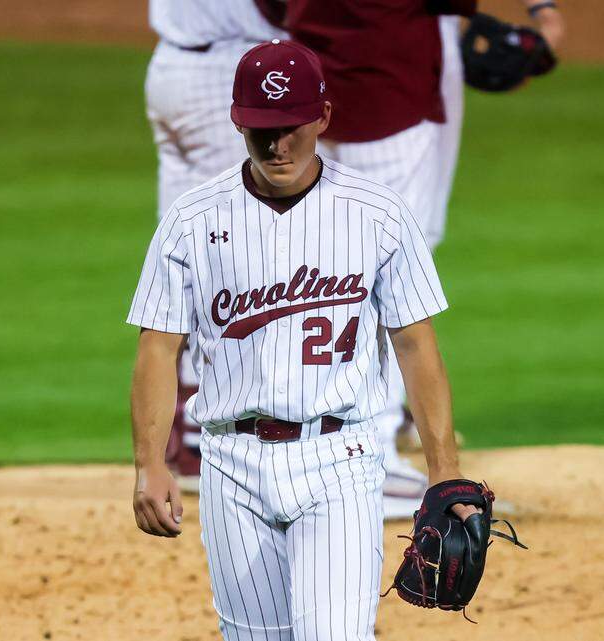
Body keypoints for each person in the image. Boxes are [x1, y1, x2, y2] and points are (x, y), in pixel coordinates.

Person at [128, 39, 480, 640]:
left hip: (339, 459)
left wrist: (444, 474)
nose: (277, 146)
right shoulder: (192, 221)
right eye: (262, 129)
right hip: (230, 464)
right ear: (237, 121)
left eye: (290, 126)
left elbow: (416, 344)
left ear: (322, 116)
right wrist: (149, 464)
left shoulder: (377, 214)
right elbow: (158, 348)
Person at [254, 0, 566, 515]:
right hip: (390, 97)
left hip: (312, 100)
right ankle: (366, 456)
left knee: (313, 270)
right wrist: (544, 18)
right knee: (383, 277)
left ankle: (306, 436)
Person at [144, 0, 286, 491]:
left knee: (188, 249)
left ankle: (184, 433)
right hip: (234, 70)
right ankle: (205, 432)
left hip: (170, 67)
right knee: (244, 255)